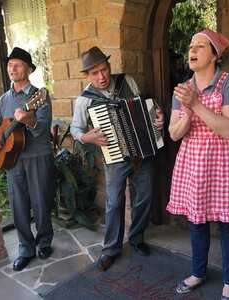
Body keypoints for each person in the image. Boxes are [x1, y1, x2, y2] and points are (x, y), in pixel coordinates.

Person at [166, 29, 229, 300]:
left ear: (215, 55)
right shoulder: (183, 90)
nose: (192, 51)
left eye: (200, 46)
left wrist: (195, 104)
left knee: (227, 223)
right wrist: (186, 112)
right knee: (197, 221)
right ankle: (198, 272)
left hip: (225, 159)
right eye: (191, 46)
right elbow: (174, 134)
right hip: (194, 160)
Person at [70, 46, 164, 271]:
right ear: (88, 76)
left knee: (145, 195)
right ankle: (111, 249)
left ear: (109, 67)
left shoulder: (127, 81)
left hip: (142, 150)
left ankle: (137, 238)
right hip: (115, 155)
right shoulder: (85, 100)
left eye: (104, 69)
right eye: (95, 73)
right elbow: (75, 128)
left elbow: (145, 107)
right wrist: (86, 136)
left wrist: (157, 119)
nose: (102, 76)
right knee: (114, 202)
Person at [0, 47, 55, 271]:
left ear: (29, 69)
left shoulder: (39, 96)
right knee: (18, 205)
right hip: (12, 160)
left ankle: (43, 242)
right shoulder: (4, 100)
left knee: (41, 201)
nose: (12, 68)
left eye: (18, 64)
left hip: (38, 157)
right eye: (10, 64)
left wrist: (28, 119)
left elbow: (42, 129)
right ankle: (26, 248)